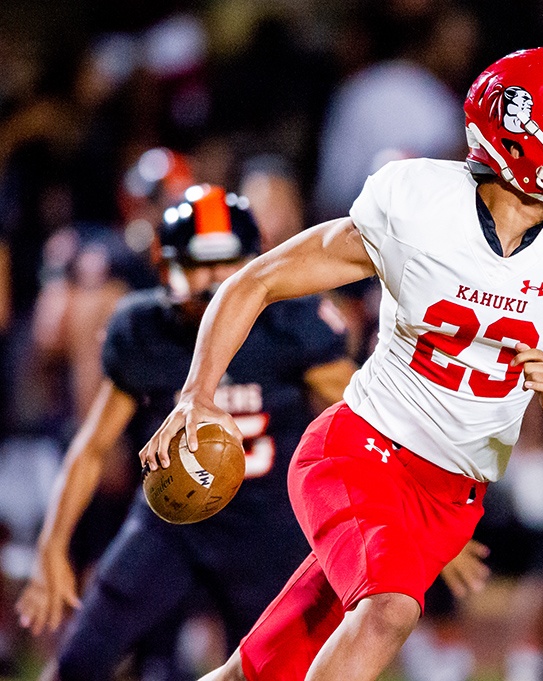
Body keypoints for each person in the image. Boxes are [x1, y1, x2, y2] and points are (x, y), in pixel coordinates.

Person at [141, 47, 543, 681]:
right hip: (361, 451)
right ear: (518, 141)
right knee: (389, 612)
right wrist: (197, 394)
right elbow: (256, 280)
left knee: (258, 670)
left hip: (451, 500)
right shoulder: (421, 208)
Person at [15, 184, 355, 680]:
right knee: (77, 663)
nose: (216, 281)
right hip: (168, 521)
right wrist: (52, 549)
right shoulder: (144, 329)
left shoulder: (293, 326)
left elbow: (366, 421)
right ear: (166, 267)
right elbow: (91, 450)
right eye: (198, 264)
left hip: (266, 528)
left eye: (230, 263)